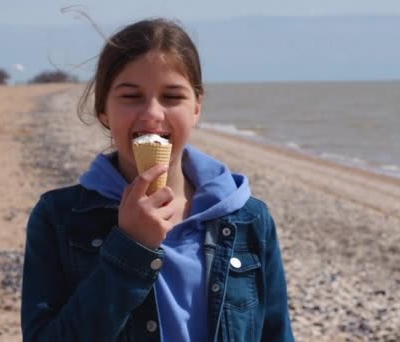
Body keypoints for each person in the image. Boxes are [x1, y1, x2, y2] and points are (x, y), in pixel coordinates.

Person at [21, 18, 294, 341]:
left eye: (172, 96)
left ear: (197, 107)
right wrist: (130, 248)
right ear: (103, 110)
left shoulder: (249, 219)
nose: (152, 114)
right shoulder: (60, 218)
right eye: (131, 96)